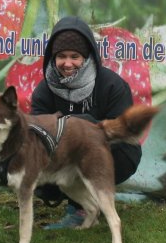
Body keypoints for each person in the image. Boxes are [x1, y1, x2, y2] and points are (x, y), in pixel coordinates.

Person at [30, 16, 141, 229]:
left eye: (75, 56)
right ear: (52, 57)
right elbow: (37, 132)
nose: (67, 63)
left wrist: (81, 127)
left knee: (91, 150)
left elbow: (126, 131)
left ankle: (84, 208)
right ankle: (83, 204)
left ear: (87, 56)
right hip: (62, 154)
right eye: (61, 56)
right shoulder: (45, 90)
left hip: (113, 151)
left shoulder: (112, 85)